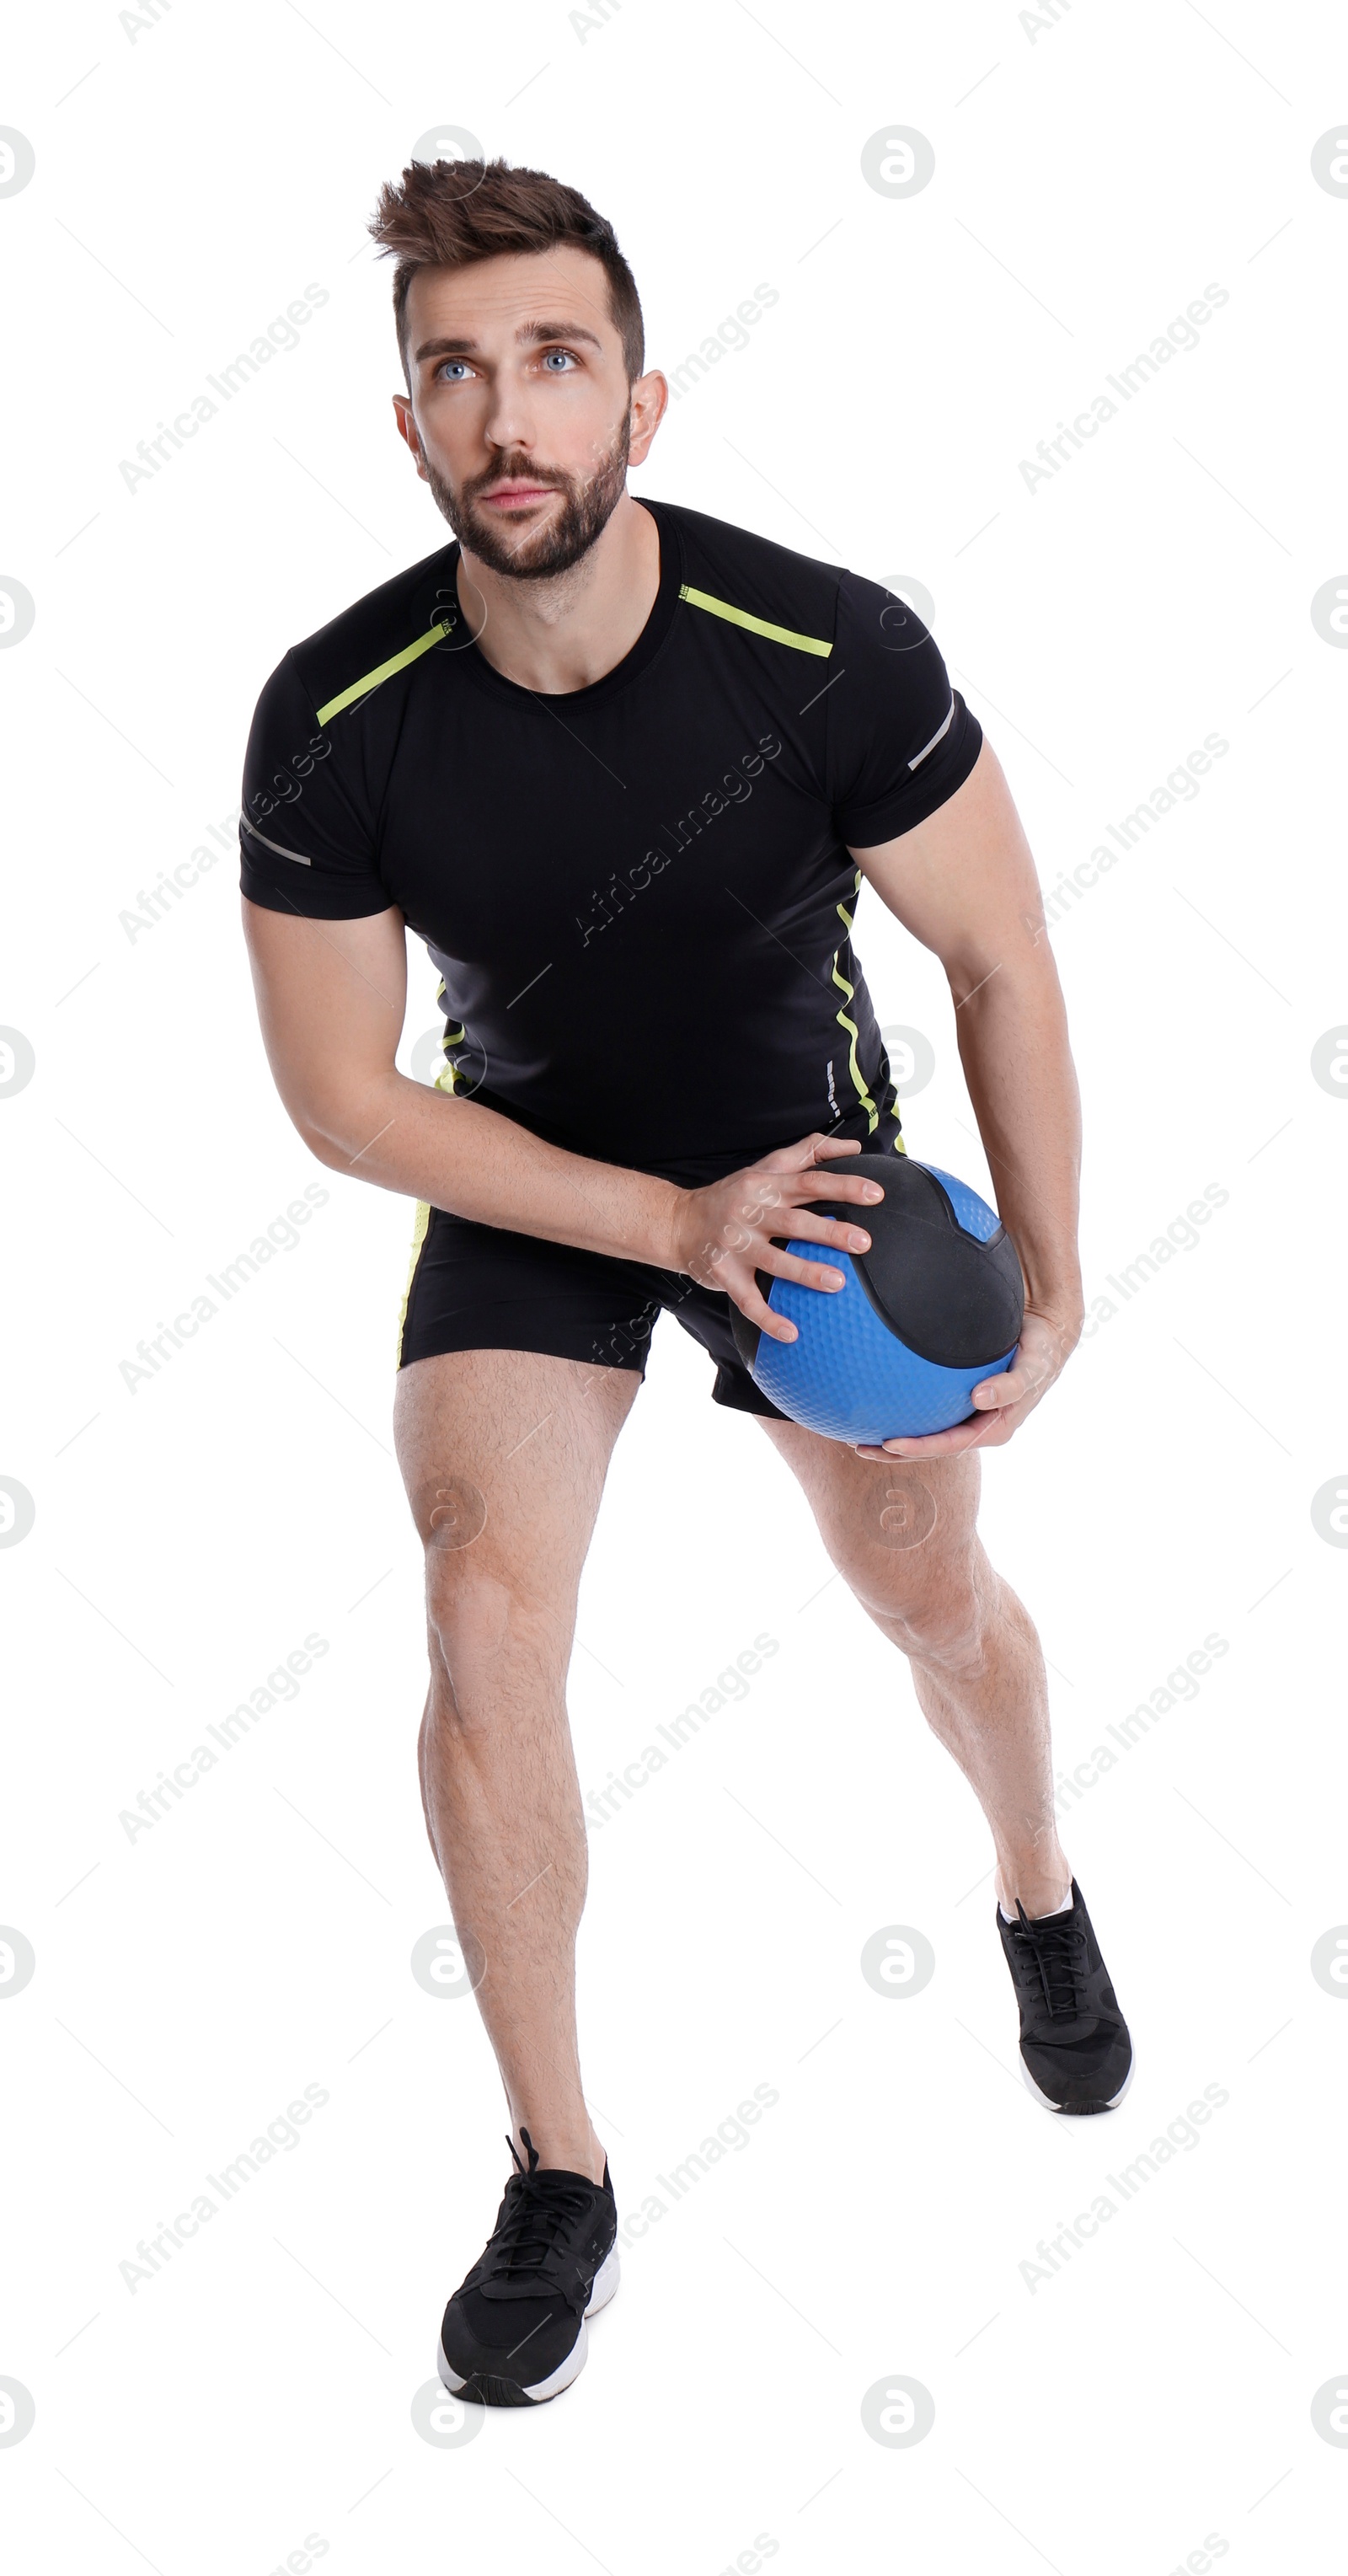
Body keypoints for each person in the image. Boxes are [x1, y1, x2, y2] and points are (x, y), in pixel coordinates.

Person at [238, 155, 1131, 2410]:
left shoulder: (824, 649)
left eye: (553, 360)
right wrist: (652, 1222)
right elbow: (349, 1101)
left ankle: (1033, 1876)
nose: (507, 411)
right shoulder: (336, 713)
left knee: (934, 1598)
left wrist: (1056, 1278)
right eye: (457, 370)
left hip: (815, 1188)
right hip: (537, 1176)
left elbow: (1002, 953)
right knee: (479, 1604)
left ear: (642, 396)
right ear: (410, 424)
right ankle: (561, 2167)